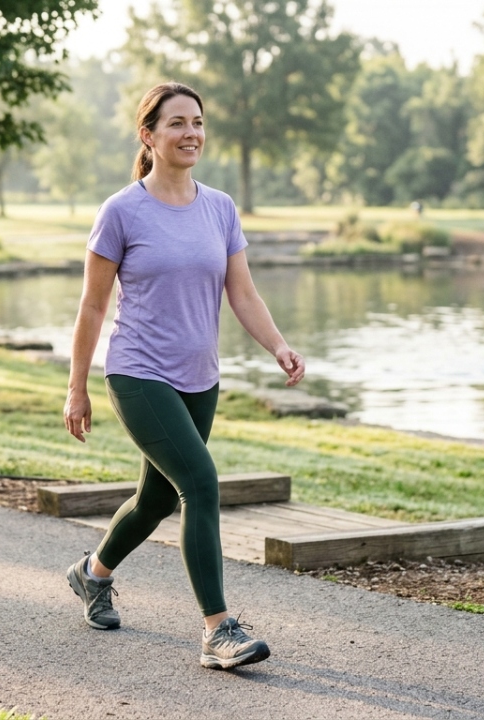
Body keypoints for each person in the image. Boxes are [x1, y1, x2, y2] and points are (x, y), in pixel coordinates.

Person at [62, 82, 305, 670]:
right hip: (139, 372)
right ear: (149, 135)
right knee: (200, 482)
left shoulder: (219, 206)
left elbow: (240, 291)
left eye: (197, 121)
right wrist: (77, 386)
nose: (190, 132)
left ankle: (92, 574)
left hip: (200, 376)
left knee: (156, 499)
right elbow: (93, 306)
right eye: (176, 123)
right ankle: (219, 630)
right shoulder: (121, 211)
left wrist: (277, 344)